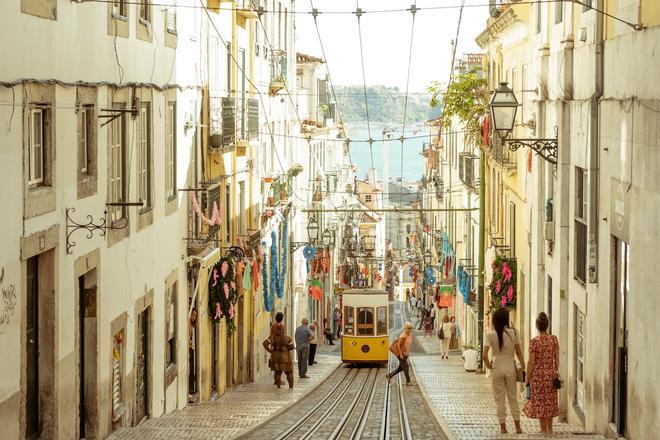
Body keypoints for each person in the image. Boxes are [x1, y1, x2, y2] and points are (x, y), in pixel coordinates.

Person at [483, 308, 526, 435]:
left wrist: (489, 366)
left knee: (499, 399)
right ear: (506, 319)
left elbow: (484, 355)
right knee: (513, 397)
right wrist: (523, 366)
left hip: (497, 366)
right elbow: (518, 351)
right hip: (510, 367)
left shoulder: (491, 335)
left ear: (495, 320)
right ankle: (518, 427)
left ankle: (503, 427)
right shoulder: (514, 333)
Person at [524, 312, 560, 433]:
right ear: (547, 325)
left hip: (538, 376)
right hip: (550, 375)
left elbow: (531, 362)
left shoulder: (534, 342)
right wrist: (555, 371)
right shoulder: (553, 340)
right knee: (549, 402)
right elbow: (557, 360)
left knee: (540, 403)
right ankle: (550, 429)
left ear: (537, 326)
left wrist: (527, 378)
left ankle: (543, 429)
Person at [262, 312, 294, 389]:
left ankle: (278, 386)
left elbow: (265, 344)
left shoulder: (272, 337)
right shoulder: (286, 338)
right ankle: (291, 387)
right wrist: (288, 348)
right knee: (289, 372)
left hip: (275, 355)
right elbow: (292, 346)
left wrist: (270, 351)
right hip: (285, 356)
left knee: (277, 372)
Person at [385, 321, 414, 386]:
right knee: (406, 366)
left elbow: (407, 344)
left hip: (405, 353)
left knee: (401, 368)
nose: (410, 329)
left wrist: (407, 353)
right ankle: (408, 381)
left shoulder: (410, 334)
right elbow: (398, 345)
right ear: (405, 328)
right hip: (401, 354)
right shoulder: (403, 336)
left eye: (411, 328)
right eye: (408, 328)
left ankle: (389, 375)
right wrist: (400, 354)